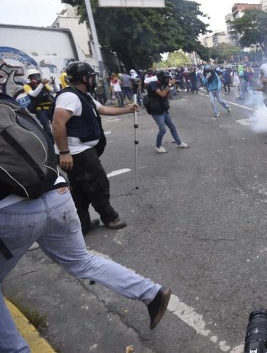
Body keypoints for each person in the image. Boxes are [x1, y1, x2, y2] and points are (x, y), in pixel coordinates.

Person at [0, 92, 172, 353]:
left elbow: (89, 114)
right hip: (56, 191)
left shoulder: (76, 96)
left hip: (12, 207)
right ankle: (151, 293)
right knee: (82, 260)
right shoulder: (9, 102)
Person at [52, 62, 129, 235]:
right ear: (84, 78)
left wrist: (128, 110)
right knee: (97, 184)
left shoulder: (83, 96)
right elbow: (57, 124)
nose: (95, 80)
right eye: (92, 77)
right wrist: (65, 153)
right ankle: (109, 217)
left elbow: (104, 109)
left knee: (80, 189)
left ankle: (82, 223)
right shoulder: (69, 97)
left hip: (78, 152)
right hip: (77, 153)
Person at [146, 70, 189, 153]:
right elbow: (161, 94)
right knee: (163, 129)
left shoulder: (163, 85)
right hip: (156, 111)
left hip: (163, 110)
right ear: (161, 78)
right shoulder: (153, 84)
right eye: (165, 78)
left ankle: (179, 143)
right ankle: (158, 146)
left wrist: (169, 85)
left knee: (172, 127)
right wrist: (169, 85)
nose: (167, 79)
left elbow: (165, 96)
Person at [23, 68, 55, 142]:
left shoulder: (43, 84)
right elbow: (34, 94)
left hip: (50, 108)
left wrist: (53, 84)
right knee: (47, 128)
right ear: (30, 78)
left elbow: (54, 91)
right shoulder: (27, 86)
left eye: (37, 75)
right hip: (40, 110)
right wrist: (41, 84)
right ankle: (51, 143)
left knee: (57, 124)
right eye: (33, 76)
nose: (36, 77)